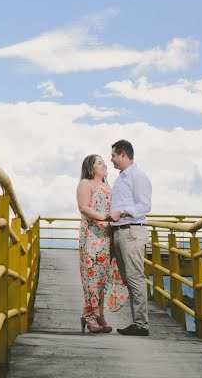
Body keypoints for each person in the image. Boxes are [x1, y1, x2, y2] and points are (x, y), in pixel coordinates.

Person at [77, 154, 127, 333]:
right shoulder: (85, 184)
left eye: (104, 162)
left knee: (102, 278)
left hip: (106, 236)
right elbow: (83, 207)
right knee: (92, 277)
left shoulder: (107, 186)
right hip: (92, 235)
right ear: (91, 168)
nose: (104, 165)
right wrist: (104, 218)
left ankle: (99, 315)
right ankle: (89, 316)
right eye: (99, 163)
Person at [108, 139, 153, 336]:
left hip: (132, 230)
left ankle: (141, 325)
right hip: (121, 230)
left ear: (123, 155)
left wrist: (123, 213)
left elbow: (145, 206)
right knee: (128, 278)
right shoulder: (121, 178)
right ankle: (137, 322)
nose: (111, 159)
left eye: (113, 155)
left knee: (135, 277)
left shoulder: (138, 176)